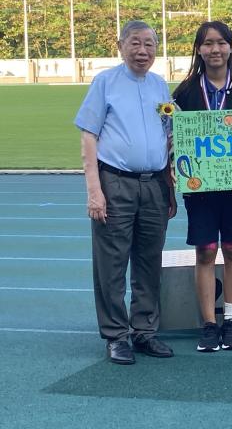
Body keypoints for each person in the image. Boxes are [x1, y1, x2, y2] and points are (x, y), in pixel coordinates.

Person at [75, 20, 176, 365]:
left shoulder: (160, 85)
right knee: (112, 263)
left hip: (154, 184)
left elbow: (170, 134)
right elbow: (89, 136)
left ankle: (145, 331)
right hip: (115, 182)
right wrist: (94, 190)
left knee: (150, 261)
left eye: (149, 44)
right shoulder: (105, 82)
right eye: (135, 43)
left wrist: (170, 184)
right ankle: (116, 336)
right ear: (120, 46)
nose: (142, 51)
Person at [172, 21, 232, 352]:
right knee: (206, 251)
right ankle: (209, 324)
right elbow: (176, 141)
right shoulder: (184, 93)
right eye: (208, 43)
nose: (215, 49)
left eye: (221, 43)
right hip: (201, 188)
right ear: (199, 49)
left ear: (231, 47)